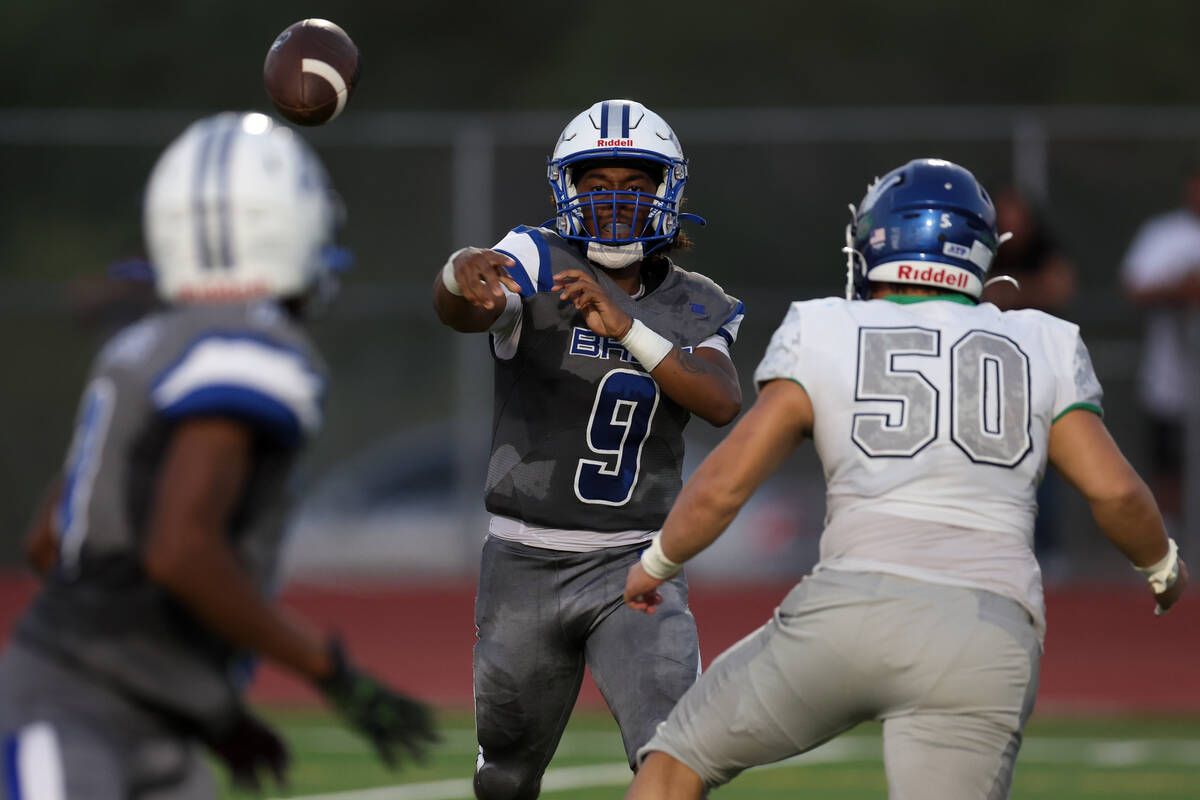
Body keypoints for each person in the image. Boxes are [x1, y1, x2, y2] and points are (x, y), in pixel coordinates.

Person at [622, 158, 1188, 800]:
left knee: (668, 772)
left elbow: (727, 480)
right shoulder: (1041, 340)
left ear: (877, 242)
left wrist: (659, 562)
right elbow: (1114, 490)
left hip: (844, 615)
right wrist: (1162, 567)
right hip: (982, 631)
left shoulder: (827, 327)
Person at [0, 112, 437, 799]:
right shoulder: (253, 351)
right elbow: (179, 550)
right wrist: (332, 674)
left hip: (122, 710)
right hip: (80, 714)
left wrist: (207, 704)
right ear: (286, 225)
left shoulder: (142, 344)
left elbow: (50, 540)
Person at [432, 98, 745, 800]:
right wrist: (458, 274)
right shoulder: (535, 257)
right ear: (565, 190)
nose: (614, 204)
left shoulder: (696, 301)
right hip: (523, 559)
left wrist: (628, 327)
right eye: (595, 185)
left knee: (674, 759)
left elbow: (722, 401)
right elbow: (467, 307)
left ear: (668, 193)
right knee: (506, 777)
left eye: (634, 186)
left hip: (637, 564)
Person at [982, 184, 1079, 569]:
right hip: (986, 375)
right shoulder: (982, 254)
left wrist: (1009, 294)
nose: (1010, 223)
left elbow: (1059, 287)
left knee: (1045, 464)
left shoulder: (1045, 250)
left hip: (1036, 374)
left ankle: (1048, 548)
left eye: (1017, 214)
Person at [1120, 160, 1200, 529]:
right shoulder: (1164, 233)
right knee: (1168, 457)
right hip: (1171, 369)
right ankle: (1168, 536)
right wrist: (1179, 289)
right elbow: (1135, 286)